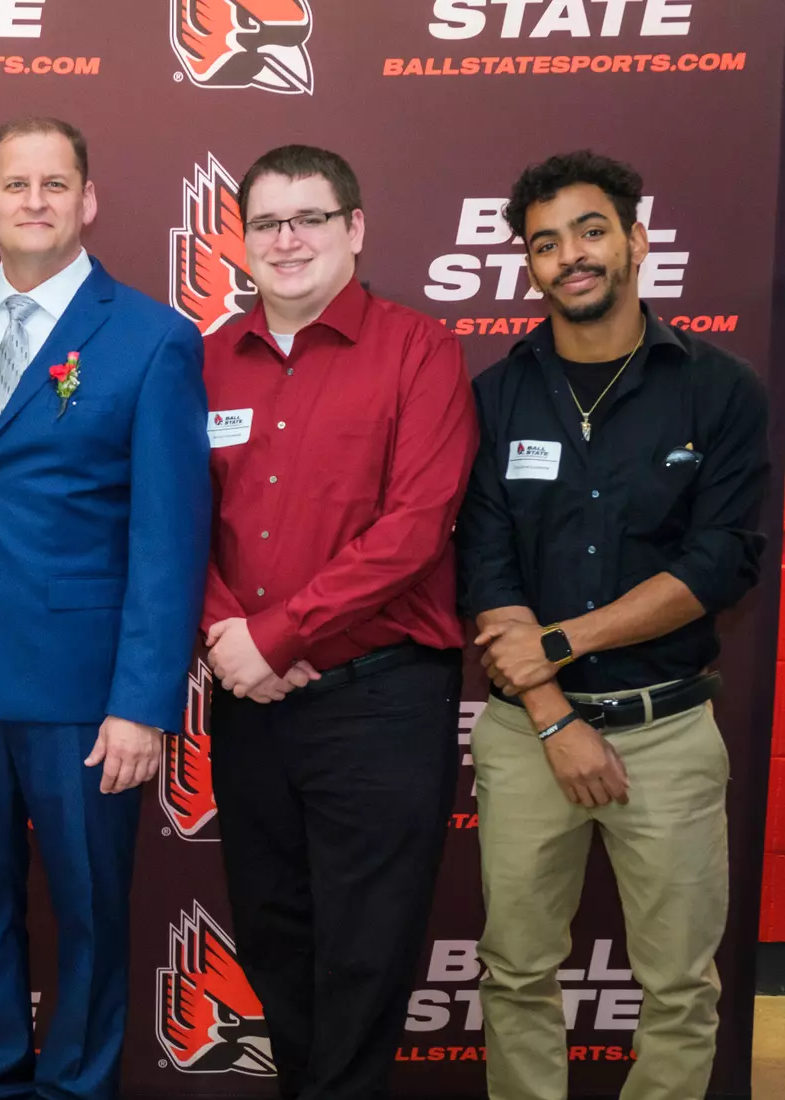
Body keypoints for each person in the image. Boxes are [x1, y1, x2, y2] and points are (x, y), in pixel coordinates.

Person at [458, 151, 768, 1100]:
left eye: (590, 232)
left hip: (667, 730)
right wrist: (554, 716)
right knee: (515, 973)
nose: (571, 257)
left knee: (677, 987)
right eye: (545, 243)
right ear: (529, 265)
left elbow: (719, 563)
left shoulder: (720, 389)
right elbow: (486, 567)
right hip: (525, 734)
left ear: (634, 240)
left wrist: (562, 642)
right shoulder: (494, 396)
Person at [0, 117, 209, 1100]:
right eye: (14, 183)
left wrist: (142, 703)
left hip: (83, 691)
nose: (33, 201)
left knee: (88, 909)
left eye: (53, 183)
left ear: (87, 200)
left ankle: (76, 1087)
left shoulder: (152, 337)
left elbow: (169, 538)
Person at [200, 145, 478, 1100]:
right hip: (248, 702)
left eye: (309, 219)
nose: (287, 241)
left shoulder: (419, 350)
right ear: (241, 242)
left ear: (353, 228)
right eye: (266, 223)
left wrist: (277, 636)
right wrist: (228, 635)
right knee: (272, 934)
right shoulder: (204, 362)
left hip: (378, 703)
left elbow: (415, 528)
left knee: (365, 951)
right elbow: (170, 521)